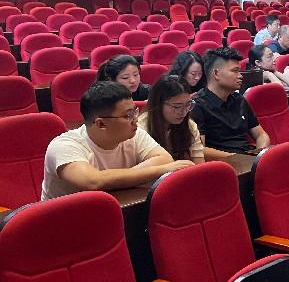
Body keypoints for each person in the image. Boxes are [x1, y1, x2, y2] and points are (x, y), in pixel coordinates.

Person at [41, 82, 192, 200]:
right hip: (63, 220)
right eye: (128, 116)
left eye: (134, 112)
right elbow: (92, 181)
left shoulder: (134, 134)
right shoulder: (64, 146)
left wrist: (116, 180)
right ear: (101, 124)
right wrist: (161, 170)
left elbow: (164, 159)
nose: (135, 120)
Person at [190, 47, 270, 158]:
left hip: (248, 157)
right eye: (235, 71)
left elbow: (261, 135)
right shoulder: (197, 105)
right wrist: (238, 158)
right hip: (223, 163)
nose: (240, 76)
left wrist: (259, 156)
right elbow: (200, 149)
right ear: (216, 73)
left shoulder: (239, 100)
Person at [138, 75, 205, 164]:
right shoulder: (140, 130)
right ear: (158, 104)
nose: (183, 112)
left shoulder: (189, 125)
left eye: (188, 105)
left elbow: (199, 163)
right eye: (177, 107)